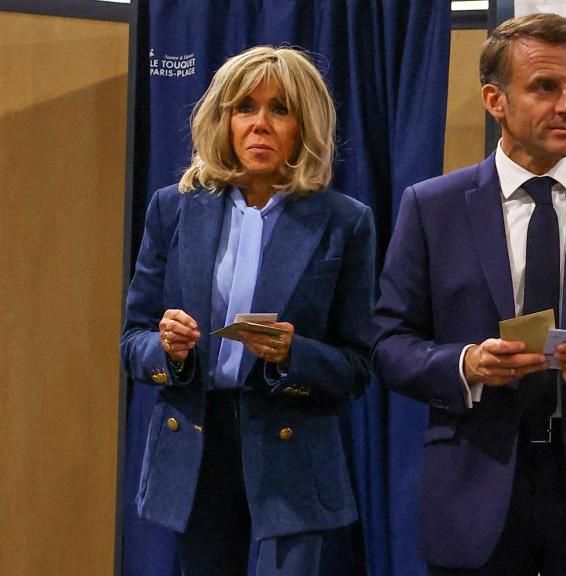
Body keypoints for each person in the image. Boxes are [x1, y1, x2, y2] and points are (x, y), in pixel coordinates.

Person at [373, 13, 566, 576]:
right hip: (476, 489)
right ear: (495, 100)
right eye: (545, 87)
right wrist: (466, 364)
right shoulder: (432, 207)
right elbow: (389, 344)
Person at [121, 45, 375, 576]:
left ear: (305, 126)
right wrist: (167, 348)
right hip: (196, 445)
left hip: (290, 448)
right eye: (245, 108)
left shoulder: (344, 222)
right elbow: (133, 341)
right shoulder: (174, 208)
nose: (260, 124)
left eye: (280, 110)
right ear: (223, 119)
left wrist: (292, 354)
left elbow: (357, 365)